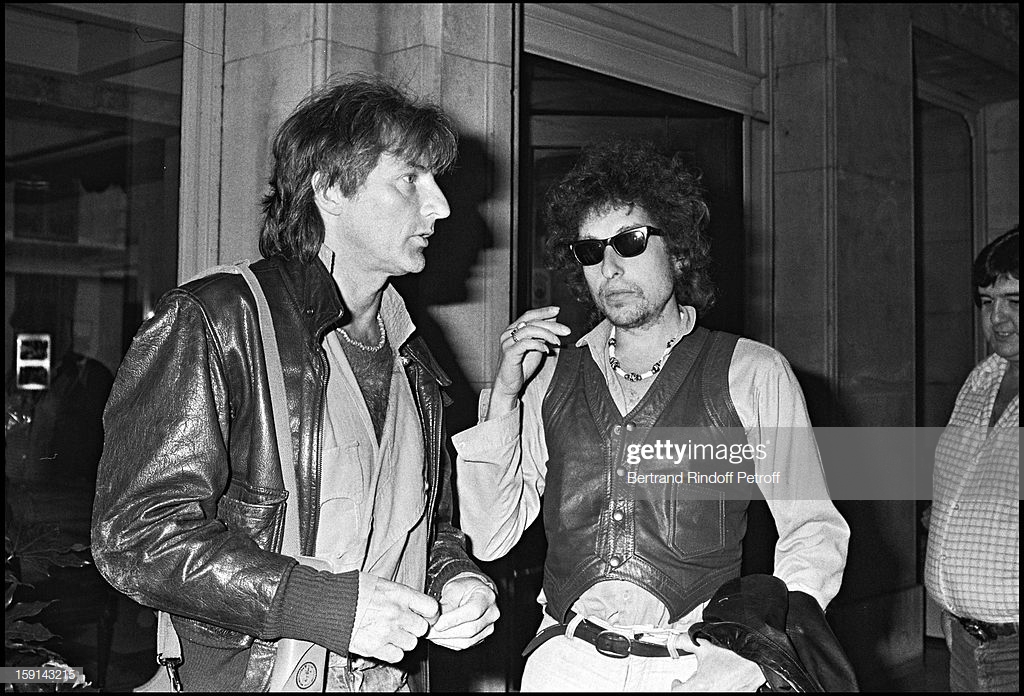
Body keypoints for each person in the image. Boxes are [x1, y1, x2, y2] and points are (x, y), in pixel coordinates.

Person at [91, 74, 499, 692]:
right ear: (331, 189)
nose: (441, 205)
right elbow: (137, 535)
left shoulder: (414, 355)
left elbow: (428, 527)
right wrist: (326, 607)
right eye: (411, 180)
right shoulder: (217, 319)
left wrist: (454, 579)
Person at [452, 139, 850, 691]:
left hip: (697, 664)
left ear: (679, 251)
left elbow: (812, 529)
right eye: (590, 250)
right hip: (566, 661)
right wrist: (502, 398)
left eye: (630, 242)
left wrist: (757, 650)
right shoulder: (549, 379)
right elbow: (488, 537)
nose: (610, 267)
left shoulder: (751, 372)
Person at [925, 226, 1018, 692]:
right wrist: (951, 607)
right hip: (964, 639)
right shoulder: (982, 380)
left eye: (1015, 301)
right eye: (987, 302)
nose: (998, 318)